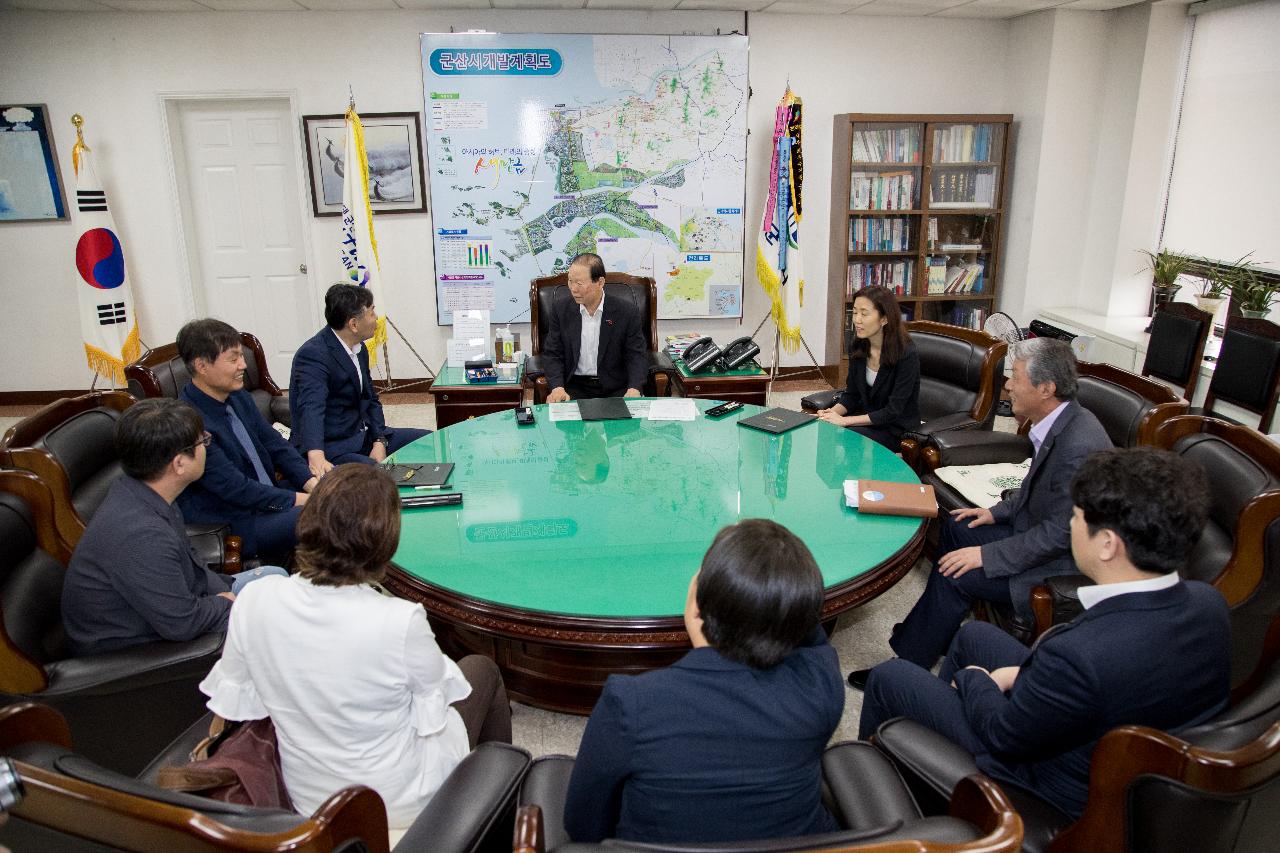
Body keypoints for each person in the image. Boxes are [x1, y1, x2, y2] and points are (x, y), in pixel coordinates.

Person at [857, 447, 1231, 819]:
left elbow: (1003, 735)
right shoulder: (1209, 603)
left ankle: (875, 810)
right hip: (1102, 736)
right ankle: (930, 779)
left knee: (893, 677)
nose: (1070, 525)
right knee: (973, 638)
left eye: (1078, 517)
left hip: (1044, 784)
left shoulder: (1078, 654)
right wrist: (1015, 676)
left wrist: (976, 682)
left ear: (1107, 545)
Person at [200, 464, 512, 836]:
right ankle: (497, 804)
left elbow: (236, 700)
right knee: (483, 669)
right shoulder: (400, 620)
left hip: (311, 798)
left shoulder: (255, 598)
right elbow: (433, 714)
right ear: (386, 540)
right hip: (394, 801)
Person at [848, 337, 1112, 689]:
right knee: (957, 527)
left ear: (1046, 387)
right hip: (1032, 532)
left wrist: (986, 554)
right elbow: (1034, 488)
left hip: (1058, 563)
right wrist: (994, 513)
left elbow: (1060, 534)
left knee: (957, 571)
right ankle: (935, 630)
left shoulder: (1079, 446)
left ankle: (908, 665)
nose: (1007, 385)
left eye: (1015, 377)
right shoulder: (1058, 420)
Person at [563, 519, 843, 844]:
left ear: (697, 606)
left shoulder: (631, 703)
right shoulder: (823, 685)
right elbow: (813, 639)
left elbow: (583, 824)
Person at [61, 398, 285, 656]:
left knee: (275, 578)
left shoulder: (144, 492)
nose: (206, 446)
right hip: (141, 650)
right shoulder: (142, 536)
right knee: (283, 618)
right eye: (203, 442)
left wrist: (224, 592)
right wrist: (226, 604)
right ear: (179, 463)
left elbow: (191, 567)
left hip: (179, 604)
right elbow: (182, 623)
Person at [176, 319, 315, 562]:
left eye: (242, 356)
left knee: (345, 484)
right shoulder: (190, 421)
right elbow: (236, 488)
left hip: (268, 494)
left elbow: (274, 443)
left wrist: (311, 483)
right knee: (328, 513)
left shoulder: (237, 395)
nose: (243, 365)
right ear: (201, 365)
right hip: (237, 520)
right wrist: (306, 499)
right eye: (233, 359)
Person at [290, 284, 430, 478]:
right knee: (383, 477)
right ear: (354, 324)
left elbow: (370, 399)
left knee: (431, 443)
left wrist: (379, 440)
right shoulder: (314, 355)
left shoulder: (359, 348)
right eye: (372, 313)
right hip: (335, 447)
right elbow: (311, 407)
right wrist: (316, 455)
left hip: (364, 435)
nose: (377, 319)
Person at [816, 285, 921, 450]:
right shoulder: (858, 346)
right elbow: (852, 395)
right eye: (855, 312)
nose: (857, 319)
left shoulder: (906, 354)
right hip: (866, 416)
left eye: (864, 314)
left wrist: (845, 421)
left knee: (844, 435)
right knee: (822, 427)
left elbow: (893, 411)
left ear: (884, 319)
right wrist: (832, 413)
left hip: (894, 427)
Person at [542, 253, 649, 402]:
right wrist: (557, 387)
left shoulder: (627, 312)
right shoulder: (561, 310)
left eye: (579, 283)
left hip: (615, 387)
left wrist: (634, 388)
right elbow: (553, 353)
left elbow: (636, 355)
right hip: (574, 387)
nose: (573, 289)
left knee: (624, 424)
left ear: (600, 282)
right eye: (570, 281)